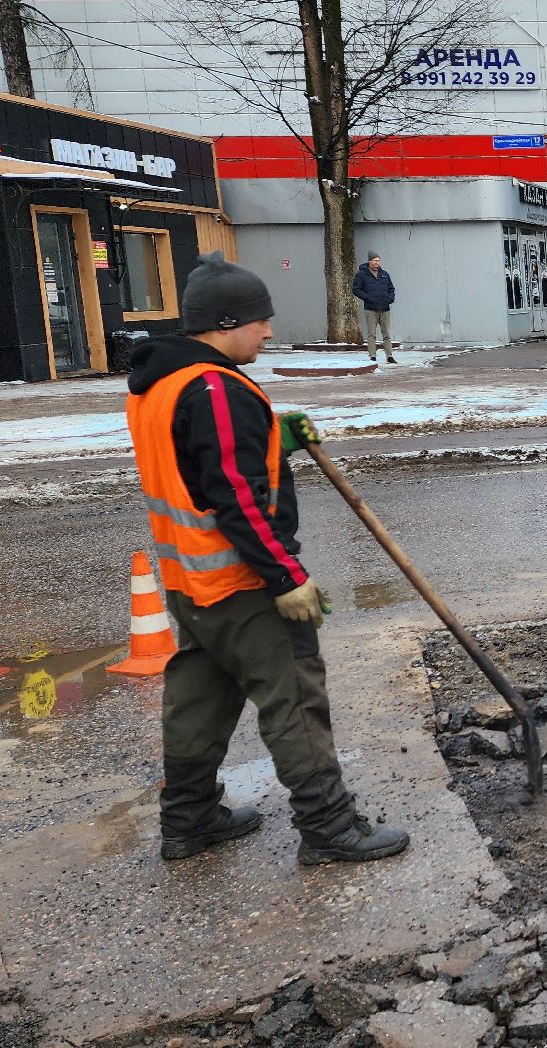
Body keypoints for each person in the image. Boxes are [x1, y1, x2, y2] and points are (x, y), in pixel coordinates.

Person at [125, 252, 410, 867]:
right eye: (261, 321)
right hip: (243, 579)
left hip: (191, 582)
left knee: (198, 697)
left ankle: (189, 819)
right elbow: (236, 495)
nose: (270, 332)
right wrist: (287, 576)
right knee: (294, 697)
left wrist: (274, 436)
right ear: (226, 323)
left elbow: (198, 461)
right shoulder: (214, 387)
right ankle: (330, 827)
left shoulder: (160, 384)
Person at [350, 251, 396, 364]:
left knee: (386, 334)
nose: (377, 262)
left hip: (385, 308)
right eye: (375, 260)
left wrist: (390, 299)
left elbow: (391, 289)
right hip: (371, 309)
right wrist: (368, 298)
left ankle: (389, 356)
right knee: (372, 334)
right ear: (369, 261)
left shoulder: (385, 274)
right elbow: (356, 289)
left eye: (378, 260)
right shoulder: (361, 274)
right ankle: (372, 356)